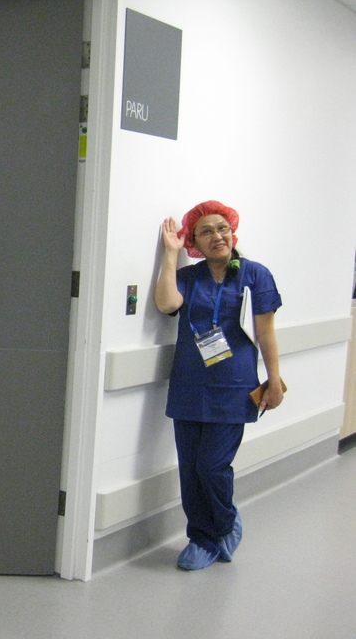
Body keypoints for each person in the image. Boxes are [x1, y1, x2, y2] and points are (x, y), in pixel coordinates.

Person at [155, 200, 283, 570]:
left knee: (211, 467)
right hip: (189, 386)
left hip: (234, 387)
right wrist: (170, 254)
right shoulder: (190, 276)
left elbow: (266, 332)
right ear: (194, 241)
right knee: (189, 470)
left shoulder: (255, 275)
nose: (217, 236)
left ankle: (224, 522)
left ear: (232, 232)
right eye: (206, 231)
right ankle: (201, 538)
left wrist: (274, 380)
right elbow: (166, 304)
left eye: (222, 228)